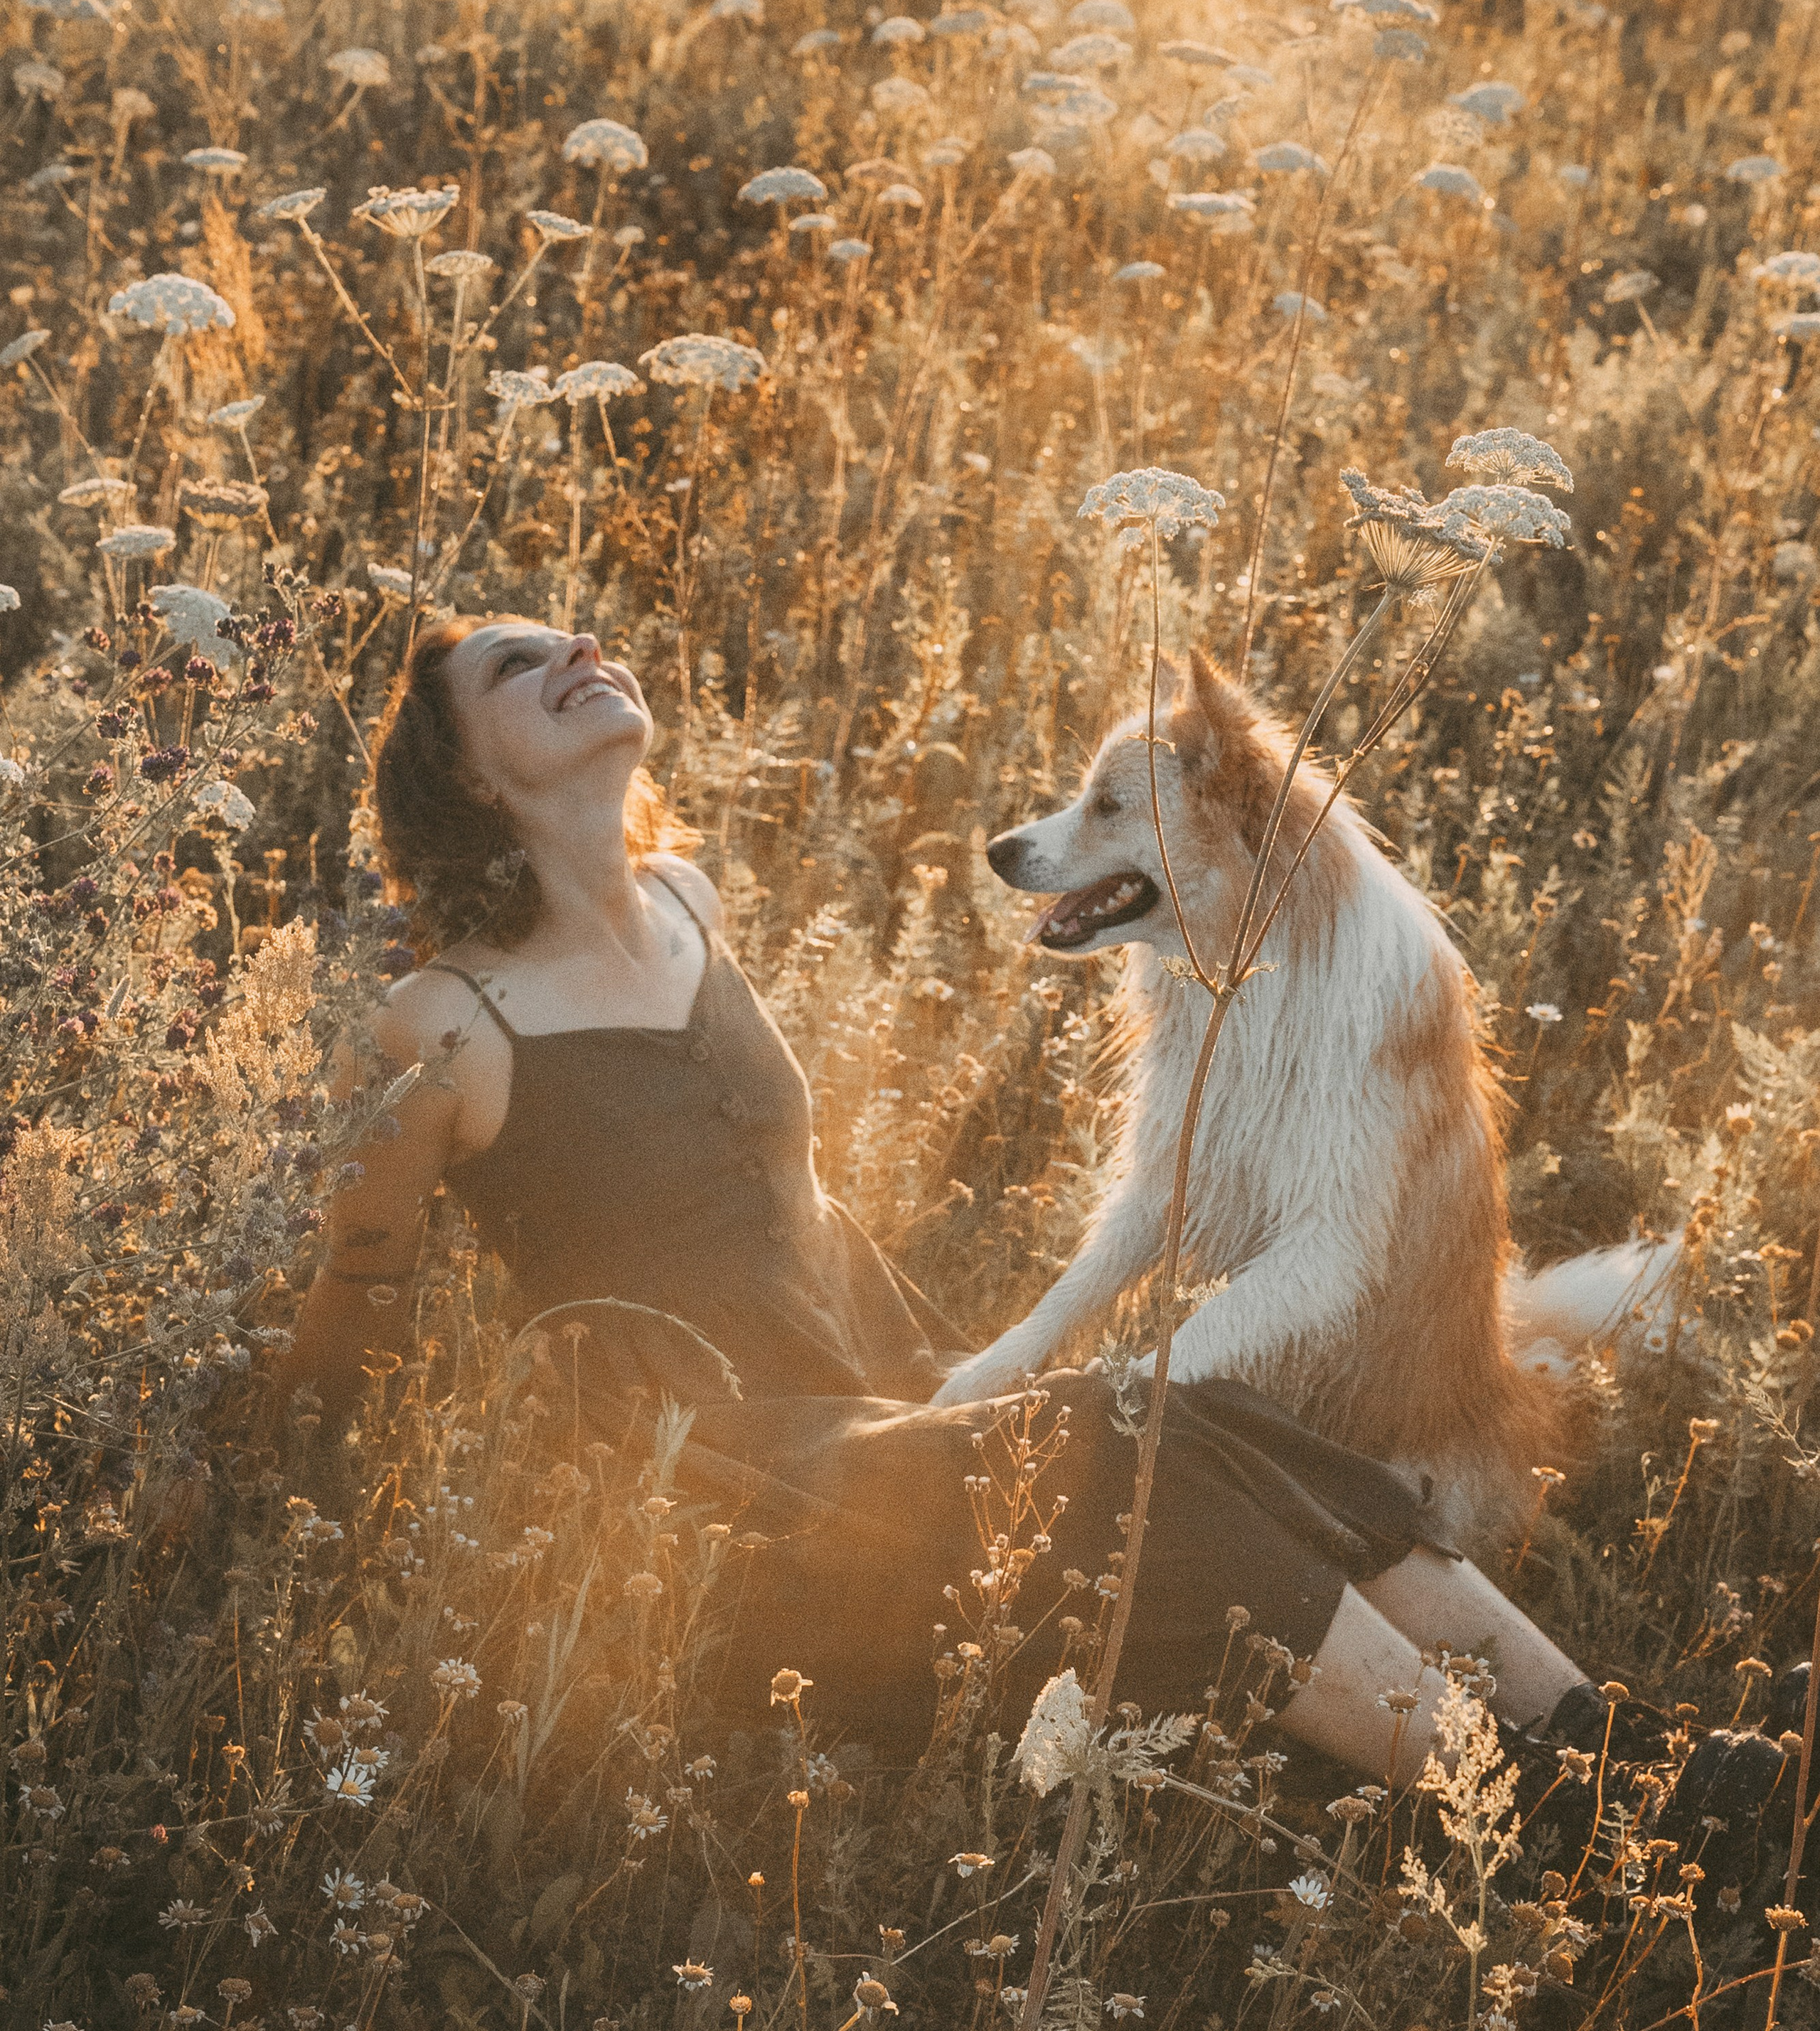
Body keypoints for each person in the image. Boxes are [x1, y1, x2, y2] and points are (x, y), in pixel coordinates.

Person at [273, 620, 1795, 1826]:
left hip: (879, 1400)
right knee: (1126, 1443)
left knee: (1187, 1426)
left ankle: (1634, 1761)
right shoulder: (443, 1023)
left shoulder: (687, 902)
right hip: (729, 1492)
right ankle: (1547, 1824)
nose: (572, 656)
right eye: (515, 668)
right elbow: (360, 1287)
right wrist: (266, 1484)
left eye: (574, 639)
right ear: (471, 777)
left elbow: (763, 1197)